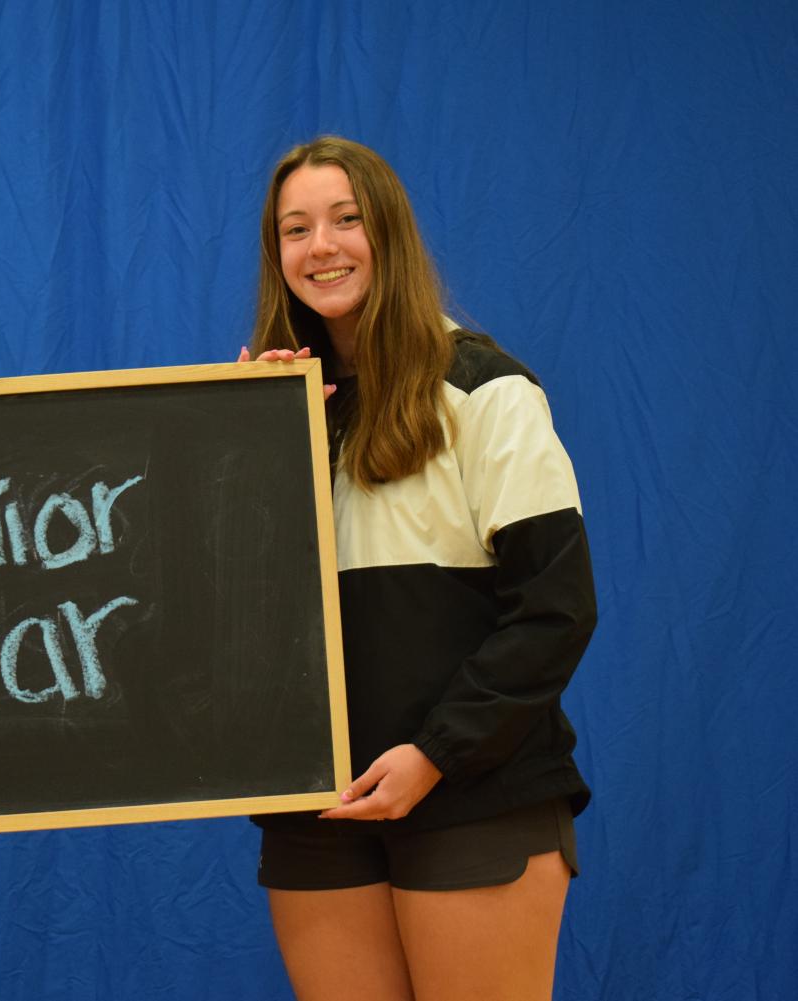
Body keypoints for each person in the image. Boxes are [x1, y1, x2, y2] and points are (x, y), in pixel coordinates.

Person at [240, 136, 596, 1001]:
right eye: (295, 229)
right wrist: (245, 446)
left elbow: (555, 608)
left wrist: (436, 752)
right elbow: (228, 616)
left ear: (388, 231)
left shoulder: (485, 391)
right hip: (317, 810)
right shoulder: (270, 413)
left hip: (473, 793)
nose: (319, 246)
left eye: (344, 220)